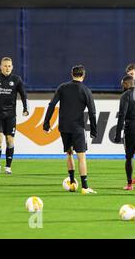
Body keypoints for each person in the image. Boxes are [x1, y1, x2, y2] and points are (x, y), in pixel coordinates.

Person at [43, 65, 97, 195]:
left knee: (69, 153)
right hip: (78, 127)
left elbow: (52, 105)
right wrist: (94, 130)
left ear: (71, 74)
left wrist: (46, 123)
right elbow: (92, 112)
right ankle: (84, 186)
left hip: (64, 126)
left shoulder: (62, 87)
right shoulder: (85, 90)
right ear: (83, 76)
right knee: (81, 156)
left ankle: (72, 182)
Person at [0, 57, 29, 175]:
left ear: (12, 67)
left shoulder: (17, 79)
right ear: (0, 67)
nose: (7, 68)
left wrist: (25, 108)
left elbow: (23, 94)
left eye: (9, 66)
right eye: (5, 66)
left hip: (11, 115)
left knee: (10, 140)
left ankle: (8, 167)